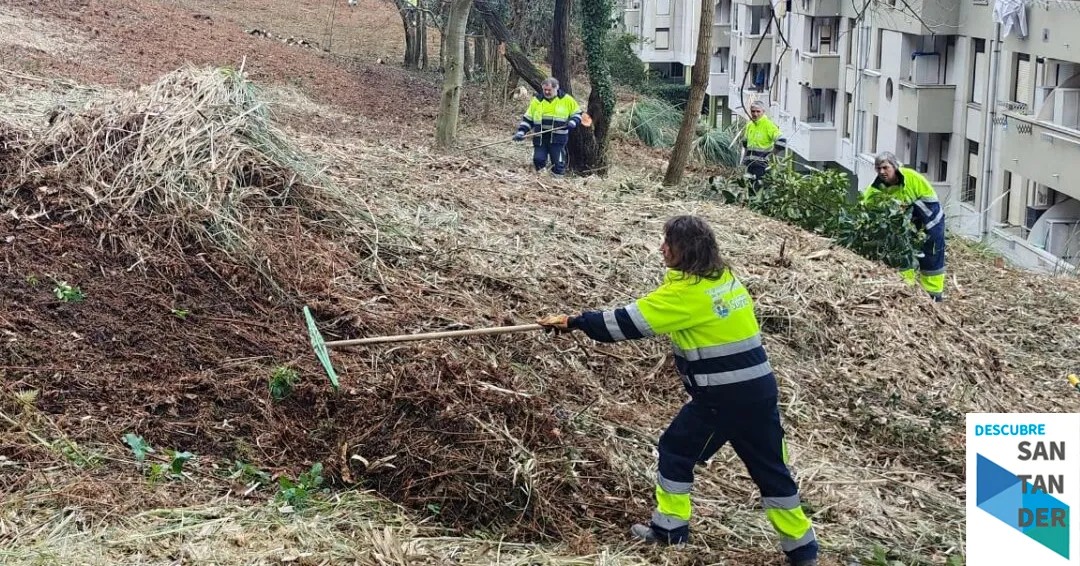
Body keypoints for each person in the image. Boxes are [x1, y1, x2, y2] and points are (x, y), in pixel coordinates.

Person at [537, 215, 819, 566]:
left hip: (722, 398)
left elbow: (627, 322)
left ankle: (669, 530)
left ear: (682, 249)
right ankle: (803, 550)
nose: (661, 248)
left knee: (676, 449)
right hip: (760, 391)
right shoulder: (725, 279)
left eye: (666, 242)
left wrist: (576, 321)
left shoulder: (687, 295)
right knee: (770, 469)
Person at [862, 152, 946, 302]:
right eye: (878, 168)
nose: (881, 172)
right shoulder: (874, 190)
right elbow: (866, 211)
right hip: (903, 228)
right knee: (900, 254)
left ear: (894, 167)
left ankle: (934, 296)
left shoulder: (912, 178)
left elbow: (930, 205)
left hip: (930, 221)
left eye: (885, 167)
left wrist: (908, 215)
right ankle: (907, 291)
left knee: (932, 256)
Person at [513, 77, 582, 178]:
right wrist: (522, 131)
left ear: (556, 88)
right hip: (540, 138)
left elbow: (578, 114)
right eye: (545, 89)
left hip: (558, 139)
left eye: (549, 90)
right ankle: (541, 180)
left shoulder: (567, 100)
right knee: (538, 160)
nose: (546, 92)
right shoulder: (537, 100)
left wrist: (573, 121)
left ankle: (557, 184)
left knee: (558, 164)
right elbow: (528, 119)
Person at [741, 100, 786, 192]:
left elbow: (782, 141)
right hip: (750, 165)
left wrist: (772, 155)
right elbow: (745, 144)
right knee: (750, 190)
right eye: (753, 111)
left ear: (763, 112)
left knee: (760, 191)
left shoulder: (768, 125)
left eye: (758, 111)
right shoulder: (750, 125)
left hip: (762, 166)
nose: (755, 114)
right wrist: (743, 161)